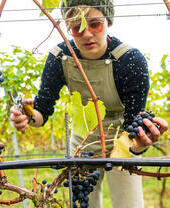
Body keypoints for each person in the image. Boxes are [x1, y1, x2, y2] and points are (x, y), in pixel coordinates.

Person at [10, 0, 168, 207]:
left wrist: (137, 147)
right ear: (67, 27)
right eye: (77, 27)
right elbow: (41, 112)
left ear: (108, 22)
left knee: (129, 203)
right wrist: (27, 116)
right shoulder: (59, 57)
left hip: (123, 140)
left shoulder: (130, 59)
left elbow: (133, 124)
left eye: (94, 24)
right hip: (82, 142)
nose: (86, 34)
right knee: (83, 202)